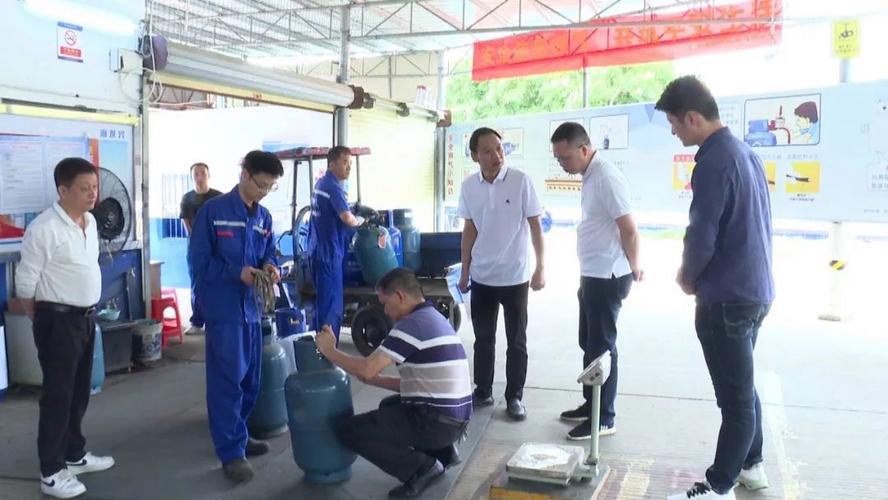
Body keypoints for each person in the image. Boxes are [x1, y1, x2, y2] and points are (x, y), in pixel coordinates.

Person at [656, 76, 775, 500]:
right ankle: (752, 465)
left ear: (692, 117)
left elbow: (702, 231)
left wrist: (688, 275)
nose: (674, 131)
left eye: (674, 123)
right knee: (743, 384)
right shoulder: (745, 152)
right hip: (755, 290)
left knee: (735, 400)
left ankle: (717, 486)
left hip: (726, 296)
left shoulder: (713, 160)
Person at [316, 267, 472, 498]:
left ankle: (422, 468)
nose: (386, 311)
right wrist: (372, 378)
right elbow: (419, 383)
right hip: (456, 419)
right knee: (390, 406)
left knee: (350, 430)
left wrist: (330, 351)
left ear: (400, 296)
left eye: (385, 303)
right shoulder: (433, 317)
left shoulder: (410, 325)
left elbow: (368, 368)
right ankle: (444, 452)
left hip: (438, 422)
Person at [15, 158, 115, 499]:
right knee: (58, 395)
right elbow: (25, 281)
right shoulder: (44, 228)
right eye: (85, 189)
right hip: (57, 320)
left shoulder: (88, 220)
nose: (93, 194)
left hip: (85, 318)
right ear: (63, 190)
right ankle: (51, 471)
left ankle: (74, 454)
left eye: (94, 187)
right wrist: (43, 314)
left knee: (79, 391)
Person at [188, 150, 284, 482]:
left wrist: (272, 267)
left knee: (250, 381)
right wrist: (236, 273)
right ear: (244, 175)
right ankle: (230, 452)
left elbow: (270, 251)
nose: (264, 192)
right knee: (227, 381)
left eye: (270, 187)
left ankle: (239, 436)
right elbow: (199, 264)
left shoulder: (264, 218)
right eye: (261, 184)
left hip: (253, 310)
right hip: (225, 310)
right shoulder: (213, 213)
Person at [550, 122, 643, 441]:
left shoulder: (606, 176)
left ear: (584, 149)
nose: (562, 164)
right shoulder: (590, 175)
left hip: (608, 275)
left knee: (602, 348)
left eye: (565, 158)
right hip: (592, 273)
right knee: (588, 343)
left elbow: (629, 228)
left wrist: (635, 265)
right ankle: (592, 404)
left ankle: (605, 417)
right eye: (558, 159)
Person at [457, 127, 545, 421]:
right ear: (474, 156)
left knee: (516, 341)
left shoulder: (520, 181)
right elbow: (469, 229)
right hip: (482, 276)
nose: (496, 155)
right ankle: (483, 390)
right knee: (483, 338)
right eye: (487, 151)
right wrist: (465, 271)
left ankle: (514, 397)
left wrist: (541, 266)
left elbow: (535, 224)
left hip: (516, 276)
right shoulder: (469, 187)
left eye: (499, 148)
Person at [307, 145, 364, 340]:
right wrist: (360, 221)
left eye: (350, 163)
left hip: (317, 250)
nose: (349, 167)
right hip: (329, 254)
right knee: (332, 306)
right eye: (345, 163)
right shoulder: (333, 186)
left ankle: (319, 351)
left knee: (323, 304)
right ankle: (329, 356)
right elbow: (347, 218)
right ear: (332, 164)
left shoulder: (321, 184)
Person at [179, 162, 222, 336]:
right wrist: (198, 240)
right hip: (196, 247)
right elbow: (186, 223)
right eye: (196, 174)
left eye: (203, 173)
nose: (200, 177)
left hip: (216, 246)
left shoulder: (218, 197)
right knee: (197, 283)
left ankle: (217, 320)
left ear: (208, 175)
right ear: (192, 177)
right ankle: (197, 321)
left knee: (217, 281)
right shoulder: (187, 199)